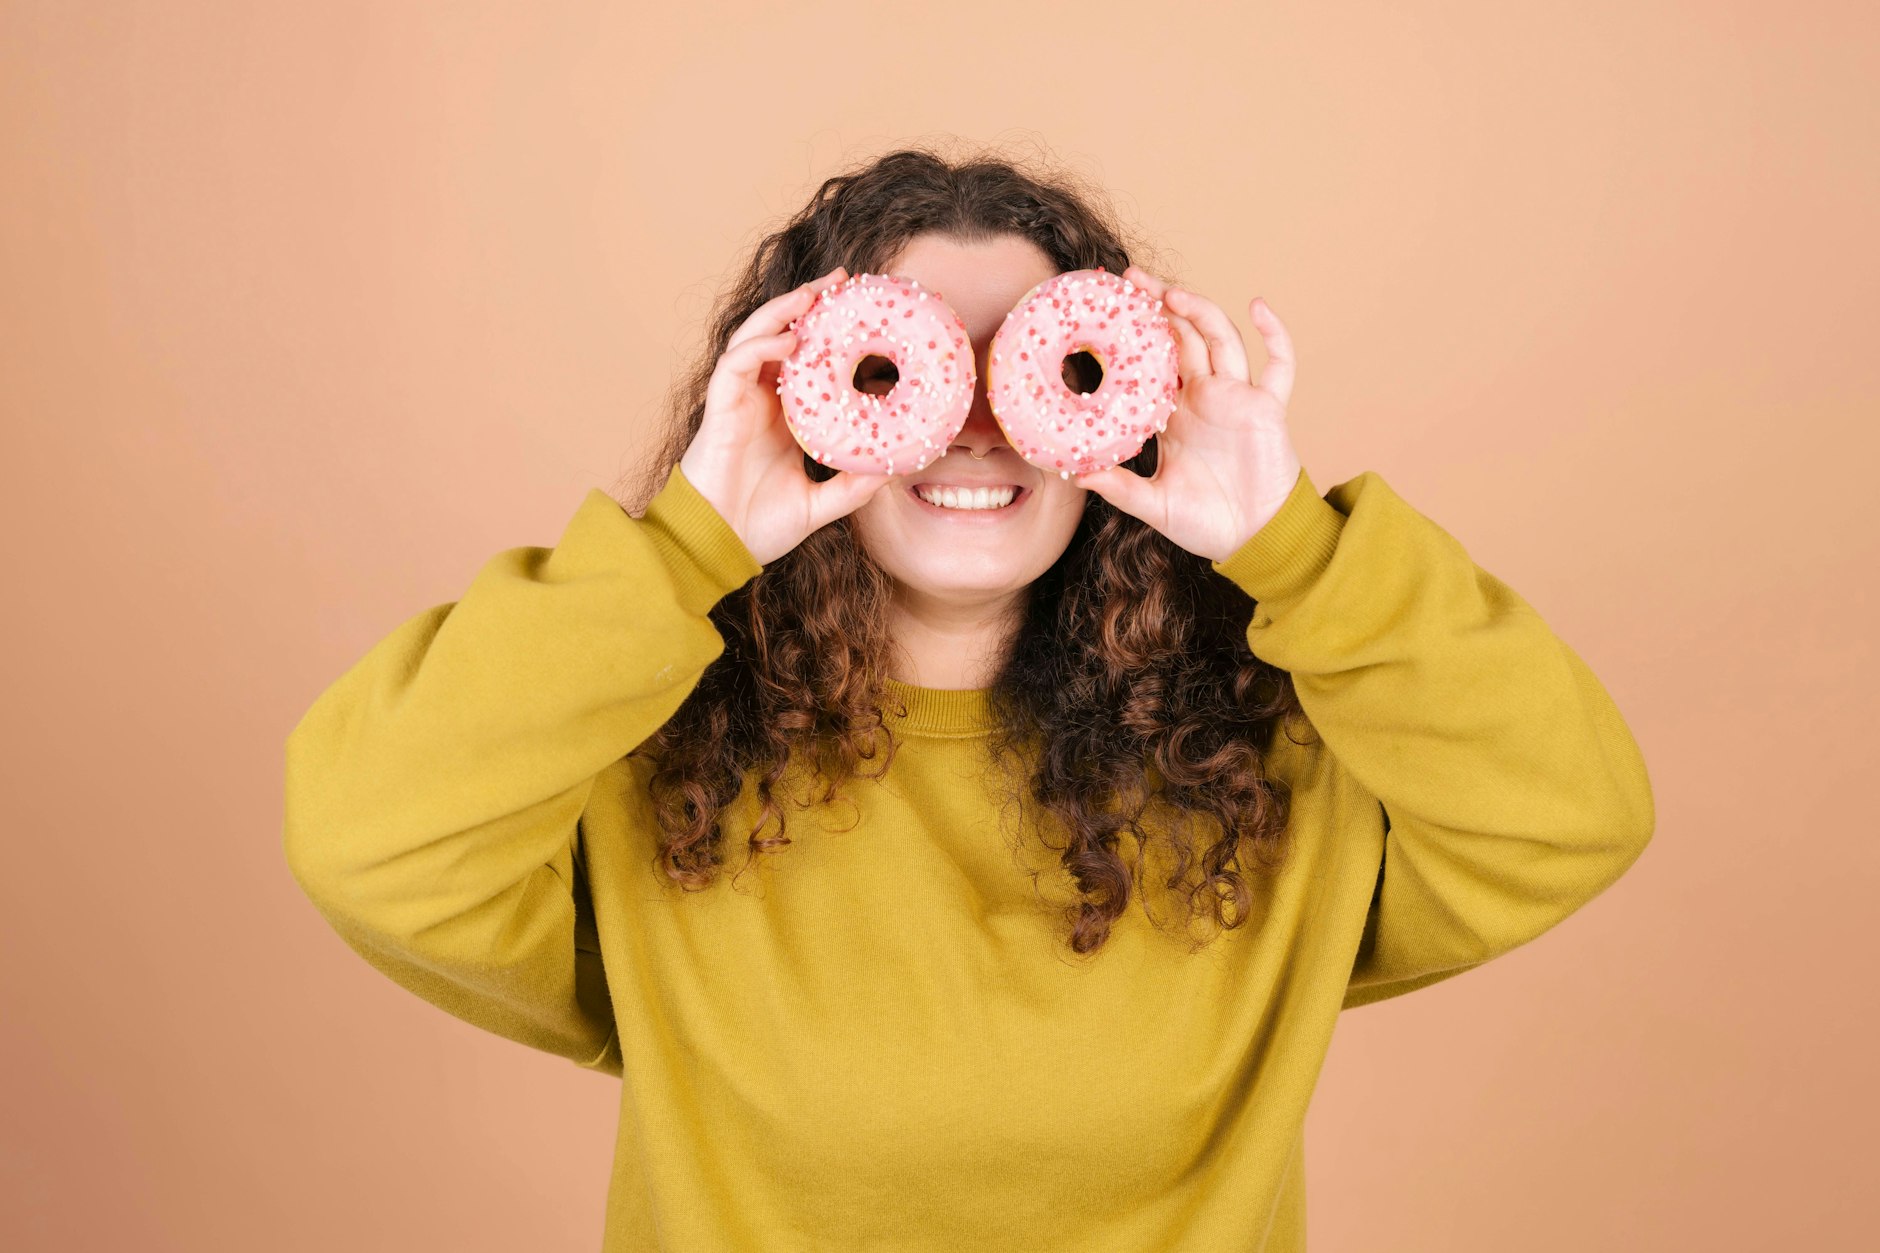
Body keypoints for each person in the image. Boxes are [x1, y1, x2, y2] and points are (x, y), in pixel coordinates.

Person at [282, 146, 1655, 1251]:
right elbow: (369, 834)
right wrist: (683, 542)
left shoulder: (1269, 769)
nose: (978, 422)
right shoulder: (657, 776)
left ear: (1128, 404)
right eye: (905, 366)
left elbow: (1575, 811)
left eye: (1039, 365)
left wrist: (1287, 536)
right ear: (798, 396)